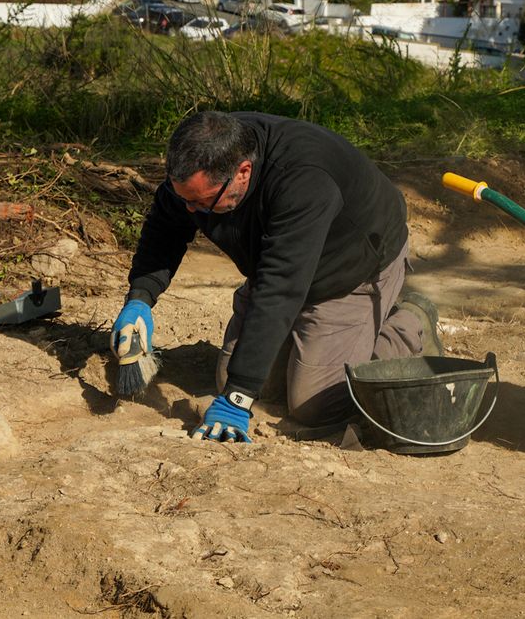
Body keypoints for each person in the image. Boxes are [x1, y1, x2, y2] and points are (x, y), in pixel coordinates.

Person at [110, 111, 441, 443]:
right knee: (232, 379)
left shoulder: (304, 179)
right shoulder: (202, 160)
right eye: (185, 199)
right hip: (278, 264)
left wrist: (238, 398)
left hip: (351, 266)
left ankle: (409, 324)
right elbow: (165, 228)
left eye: (203, 201)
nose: (192, 211)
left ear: (243, 172)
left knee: (315, 405)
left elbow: (281, 288)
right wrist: (140, 298)